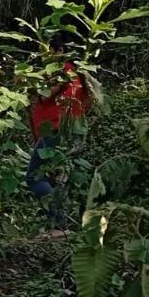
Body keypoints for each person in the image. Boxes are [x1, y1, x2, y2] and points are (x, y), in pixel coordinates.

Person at [25, 35, 92, 224]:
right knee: (57, 177)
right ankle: (62, 223)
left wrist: (30, 84)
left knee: (34, 177)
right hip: (69, 130)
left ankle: (58, 223)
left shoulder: (62, 72)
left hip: (55, 129)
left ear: (59, 51)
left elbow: (46, 94)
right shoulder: (76, 73)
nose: (42, 58)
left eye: (46, 53)